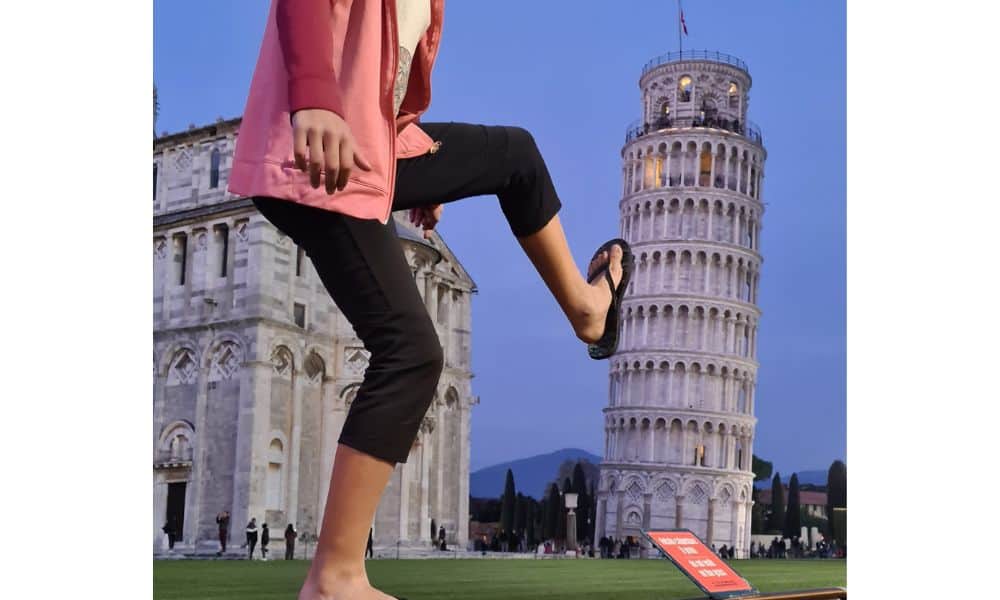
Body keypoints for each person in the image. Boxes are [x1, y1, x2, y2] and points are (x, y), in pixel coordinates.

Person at [229, 1, 633, 597]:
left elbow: (380, 86)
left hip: (370, 152)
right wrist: (314, 95)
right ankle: (335, 578)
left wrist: (417, 168)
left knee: (515, 157)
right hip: (311, 155)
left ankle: (587, 309)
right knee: (412, 353)